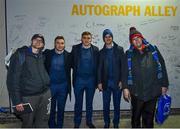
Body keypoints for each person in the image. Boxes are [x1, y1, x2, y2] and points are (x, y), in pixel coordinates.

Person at [123, 27, 169, 128]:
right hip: (137, 92)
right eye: (134, 39)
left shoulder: (153, 51)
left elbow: (162, 66)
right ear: (132, 42)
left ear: (142, 38)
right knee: (135, 118)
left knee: (149, 119)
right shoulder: (128, 54)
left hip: (152, 91)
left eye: (138, 38)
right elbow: (125, 72)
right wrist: (125, 88)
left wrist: (164, 84)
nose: (136, 40)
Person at [6, 34, 51, 128]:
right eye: (36, 39)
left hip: (44, 95)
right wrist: (17, 101)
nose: (38, 41)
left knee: (42, 122)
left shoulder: (41, 56)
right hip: (29, 97)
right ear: (31, 41)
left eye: (41, 41)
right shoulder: (20, 55)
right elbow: (12, 80)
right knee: (28, 124)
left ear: (43, 45)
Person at [97, 29, 126, 128]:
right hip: (106, 83)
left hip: (117, 83)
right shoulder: (101, 52)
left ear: (112, 37)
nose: (108, 38)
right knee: (106, 105)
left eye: (110, 36)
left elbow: (123, 67)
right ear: (103, 39)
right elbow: (99, 68)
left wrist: (122, 80)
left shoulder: (119, 49)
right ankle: (106, 122)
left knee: (117, 105)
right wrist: (99, 82)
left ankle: (116, 123)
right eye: (106, 37)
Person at [71, 31, 99, 128]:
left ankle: (89, 121)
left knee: (89, 103)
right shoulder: (75, 49)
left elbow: (99, 66)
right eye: (84, 38)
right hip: (79, 80)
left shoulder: (96, 50)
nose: (86, 40)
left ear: (91, 39)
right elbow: (70, 63)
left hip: (91, 80)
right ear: (81, 39)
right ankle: (77, 122)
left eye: (88, 38)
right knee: (78, 103)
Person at [44, 36, 71, 128]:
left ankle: (59, 126)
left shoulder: (68, 56)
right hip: (51, 87)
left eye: (62, 43)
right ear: (54, 44)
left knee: (61, 109)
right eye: (58, 43)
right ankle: (51, 125)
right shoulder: (48, 54)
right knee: (51, 109)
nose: (60, 45)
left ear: (64, 44)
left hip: (63, 87)